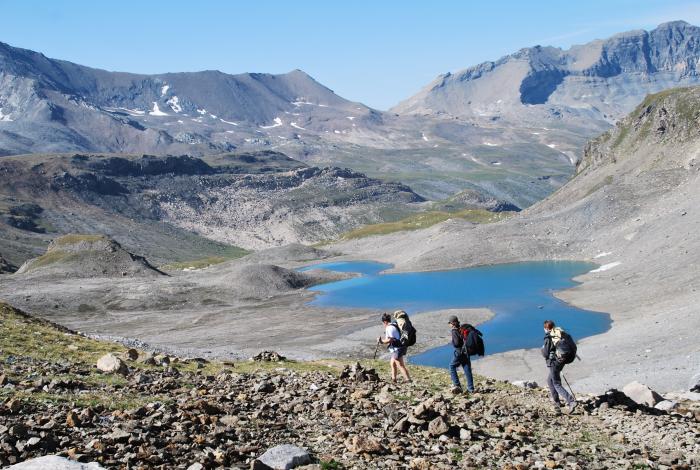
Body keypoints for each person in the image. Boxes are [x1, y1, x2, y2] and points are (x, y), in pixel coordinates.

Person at [542, 320, 576, 413]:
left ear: (545, 328)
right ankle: (557, 402)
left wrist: (542, 350)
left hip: (554, 362)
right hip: (562, 360)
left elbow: (545, 353)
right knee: (550, 380)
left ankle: (571, 401)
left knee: (556, 383)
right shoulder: (560, 333)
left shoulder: (549, 337)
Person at [377, 312, 411, 383]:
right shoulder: (394, 324)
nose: (383, 324)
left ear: (385, 321)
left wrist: (381, 341)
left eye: (383, 323)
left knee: (400, 365)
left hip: (397, 348)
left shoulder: (389, 328)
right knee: (392, 363)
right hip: (401, 346)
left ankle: (408, 380)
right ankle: (394, 379)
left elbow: (390, 339)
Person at [448, 315, 474, 394]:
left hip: (459, 353)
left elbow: (456, 343)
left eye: (449, 323)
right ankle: (471, 389)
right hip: (466, 352)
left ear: (452, 323)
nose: (449, 324)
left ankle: (457, 385)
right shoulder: (461, 328)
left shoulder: (454, 331)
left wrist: (452, 342)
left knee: (451, 366)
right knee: (467, 369)